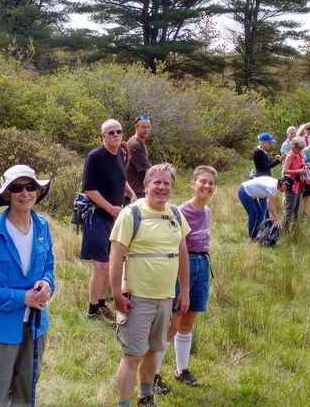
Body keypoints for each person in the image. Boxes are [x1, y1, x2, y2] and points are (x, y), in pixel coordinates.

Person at [0, 164, 55, 407]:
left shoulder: (43, 227)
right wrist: (22, 298)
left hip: (36, 326)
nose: (25, 192)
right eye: (17, 187)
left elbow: (49, 267)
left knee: (26, 390)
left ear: (37, 192)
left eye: (30, 186)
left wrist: (47, 284)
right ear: (7, 194)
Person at [110, 163, 190, 407]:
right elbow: (115, 254)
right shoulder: (131, 214)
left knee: (154, 350)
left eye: (167, 183)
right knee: (133, 355)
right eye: (156, 182)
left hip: (165, 297)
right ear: (145, 186)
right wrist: (115, 293)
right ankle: (123, 403)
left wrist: (184, 290)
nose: (162, 187)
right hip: (137, 298)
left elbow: (182, 252)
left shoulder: (176, 214)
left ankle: (145, 397)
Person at [153, 166, 217, 395]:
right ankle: (154, 374)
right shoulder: (180, 212)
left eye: (211, 183)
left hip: (202, 264)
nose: (206, 186)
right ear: (193, 184)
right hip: (184, 268)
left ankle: (182, 370)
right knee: (173, 323)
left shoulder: (207, 211)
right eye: (202, 181)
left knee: (188, 324)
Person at [81, 119, 136, 322]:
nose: (115, 135)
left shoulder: (120, 154)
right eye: (110, 133)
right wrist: (111, 208)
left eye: (118, 132)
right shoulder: (94, 157)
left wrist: (131, 194)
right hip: (97, 216)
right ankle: (92, 309)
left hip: (116, 217)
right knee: (102, 265)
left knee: (113, 262)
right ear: (103, 136)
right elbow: (89, 188)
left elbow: (120, 180)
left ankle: (102, 305)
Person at [282, 137, 307, 228]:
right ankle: (285, 228)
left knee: (296, 208)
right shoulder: (290, 155)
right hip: (292, 185)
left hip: (300, 184)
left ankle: (295, 227)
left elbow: (302, 165)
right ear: (294, 146)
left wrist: (305, 167)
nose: (299, 150)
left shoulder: (300, 154)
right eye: (298, 148)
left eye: (301, 148)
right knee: (290, 208)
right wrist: (298, 171)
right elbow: (285, 171)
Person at [127, 114, 152, 198]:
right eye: (143, 127)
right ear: (136, 127)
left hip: (135, 191)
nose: (147, 130)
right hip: (134, 193)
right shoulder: (135, 145)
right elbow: (149, 171)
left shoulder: (137, 142)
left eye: (148, 127)